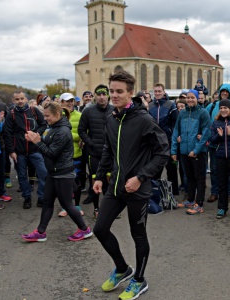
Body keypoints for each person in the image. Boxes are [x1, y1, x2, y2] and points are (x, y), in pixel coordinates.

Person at [92, 71, 168, 300]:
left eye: (119, 91)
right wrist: (97, 176)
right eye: (111, 90)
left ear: (130, 93)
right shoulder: (111, 119)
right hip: (115, 186)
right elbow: (108, 150)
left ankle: (139, 280)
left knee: (138, 235)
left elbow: (163, 151)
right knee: (100, 229)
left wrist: (141, 177)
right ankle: (122, 268)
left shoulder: (144, 120)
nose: (114, 95)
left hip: (137, 189)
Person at [22, 101, 93, 242]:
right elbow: (48, 142)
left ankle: (84, 230)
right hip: (53, 173)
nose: (45, 118)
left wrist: (37, 142)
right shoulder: (53, 127)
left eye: (48, 116)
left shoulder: (63, 131)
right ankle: (41, 232)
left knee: (67, 204)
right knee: (47, 202)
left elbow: (52, 152)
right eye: (44, 115)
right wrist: (36, 137)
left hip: (63, 174)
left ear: (57, 114)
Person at [3, 91, 48, 209]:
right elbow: (7, 134)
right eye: (17, 99)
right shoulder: (11, 114)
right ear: (13, 101)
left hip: (35, 150)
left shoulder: (34, 111)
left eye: (22, 98)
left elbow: (43, 124)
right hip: (19, 151)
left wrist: (36, 134)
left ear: (26, 99)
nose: (20, 101)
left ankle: (41, 197)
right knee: (22, 176)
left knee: (43, 173)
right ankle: (27, 197)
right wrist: (11, 151)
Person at [171, 89, 211, 215]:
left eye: (192, 97)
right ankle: (190, 200)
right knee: (189, 177)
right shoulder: (182, 113)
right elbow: (176, 131)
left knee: (199, 178)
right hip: (184, 151)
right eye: (188, 97)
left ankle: (199, 204)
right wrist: (173, 150)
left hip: (197, 152)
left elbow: (206, 133)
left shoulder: (203, 113)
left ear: (197, 98)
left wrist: (196, 150)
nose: (189, 100)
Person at [78, 85, 114, 220]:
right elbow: (82, 130)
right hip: (94, 153)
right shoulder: (88, 111)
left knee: (110, 181)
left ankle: (110, 209)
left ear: (108, 95)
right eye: (98, 94)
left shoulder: (114, 110)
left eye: (104, 94)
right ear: (95, 96)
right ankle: (96, 209)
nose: (102, 97)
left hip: (111, 153)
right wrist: (90, 143)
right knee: (95, 181)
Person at [205, 83, 230, 203]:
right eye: (222, 91)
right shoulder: (211, 106)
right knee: (215, 170)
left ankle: (229, 193)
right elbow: (205, 123)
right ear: (220, 92)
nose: (224, 93)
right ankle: (215, 192)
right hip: (215, 144)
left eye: (227, 91)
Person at [148, 83, 179, 196]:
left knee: (171, 168)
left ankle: (173, 193)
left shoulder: (170, 105)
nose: (157, 93)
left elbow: (175, 123)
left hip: (168, 141)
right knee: (156, 168)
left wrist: (173, 137)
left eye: (159, 91)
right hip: (155, 142)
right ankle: (155, 192)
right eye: (155, 91)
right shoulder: (150, 106)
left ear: (163, 91)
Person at [58, 93, 84, 217]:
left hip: (76, 153)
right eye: (67, 101)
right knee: (64, 183)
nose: (69, 103)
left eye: (72, 101)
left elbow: (83, 133)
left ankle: (77, 205)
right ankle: (65, 207)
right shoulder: (57, 116)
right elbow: (57, 135)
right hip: (61, 156)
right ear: (61, 102)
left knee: (76, 181)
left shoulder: (80, 115)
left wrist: (70, 137)